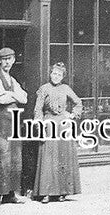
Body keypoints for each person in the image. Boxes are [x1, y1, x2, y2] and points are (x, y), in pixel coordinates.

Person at [33, 61, 83, 202]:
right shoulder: (44, 89)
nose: (56, 76)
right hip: (49, 125)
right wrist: (40, 126)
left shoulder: (66, 88)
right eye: (54, 73)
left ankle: (62, 191)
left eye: (59, 74)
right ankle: (46, 192)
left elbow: (78, 102)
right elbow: (38, 110)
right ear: (50, 74)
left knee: (63, 158)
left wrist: (72, 115)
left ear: (63, 76)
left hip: (64, 126)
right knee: (49, 159)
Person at [0, 46, 28, 206]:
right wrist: (13, 95)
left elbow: (24, 98)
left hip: (14, 123)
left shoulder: (12, 79)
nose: (7, 62)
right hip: (0, 123)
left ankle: (11, 193)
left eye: (9, 59)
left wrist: (10, 94)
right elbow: (0, 99)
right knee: (1, 157)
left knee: (15, 158)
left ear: (13, 60)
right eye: (4, 59)